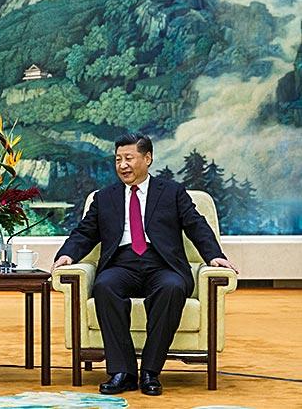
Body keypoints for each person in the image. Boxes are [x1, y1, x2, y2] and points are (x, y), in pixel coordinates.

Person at [52, 133, 238, 396]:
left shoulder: (172, 192)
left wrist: (214, 256)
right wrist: (67, 255)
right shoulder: (105, 197)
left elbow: (196, 225)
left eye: (129, 158)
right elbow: (85, 232)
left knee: (172, 288)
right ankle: (122, 372)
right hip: (122, 263)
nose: (122, 165)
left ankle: (150, 371)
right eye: (118, 159)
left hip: (162, 264)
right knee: (104, 287)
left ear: (147, 158)